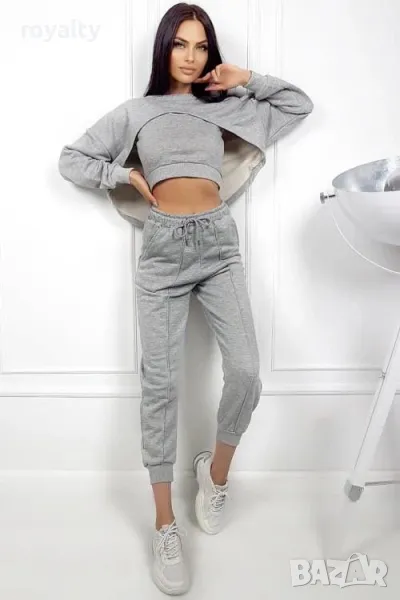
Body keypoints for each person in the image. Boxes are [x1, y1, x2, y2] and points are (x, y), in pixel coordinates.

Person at [58, 2, 314, 595]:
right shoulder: (136, 112)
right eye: (181, 44)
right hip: (163, 252)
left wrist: (245, 77)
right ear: (163, 48)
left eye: (202, 46)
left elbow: (297, 105)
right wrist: (123, 176)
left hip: (219, 245)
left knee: (246, 371)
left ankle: (214, 476)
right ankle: (164, 523)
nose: (192, 57)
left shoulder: (224, 106)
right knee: (160, 386)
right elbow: (72, 159)